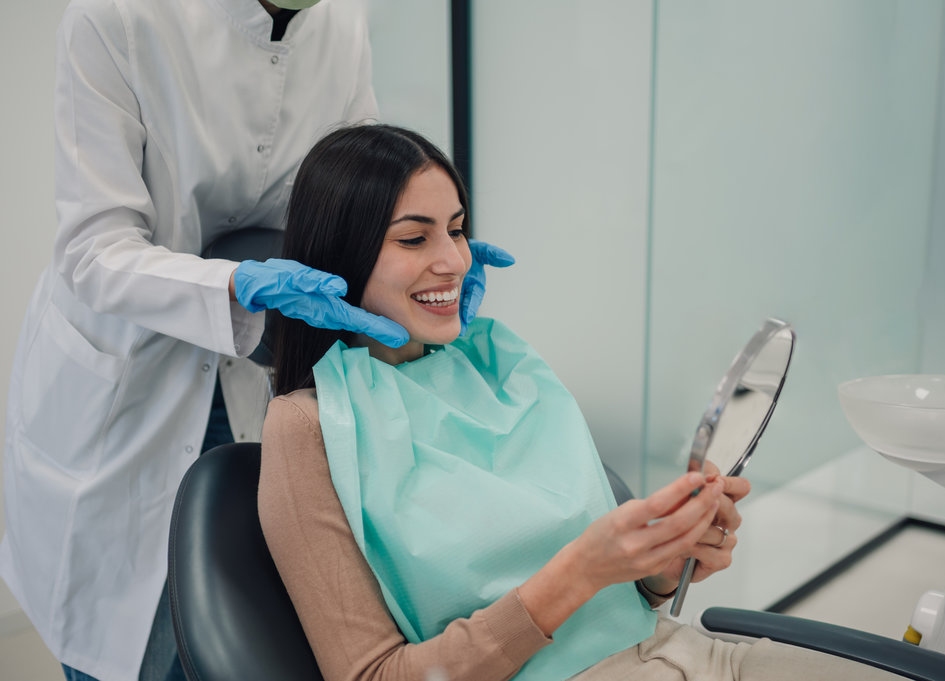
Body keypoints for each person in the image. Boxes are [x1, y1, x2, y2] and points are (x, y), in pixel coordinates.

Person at [258, 124, 905, 680]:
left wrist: (663, 563)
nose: (453, 260)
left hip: (675, 652)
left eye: (457, 230)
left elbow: (618, 599)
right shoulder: (310, 426)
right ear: (341, 252)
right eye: (413, 238)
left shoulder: (498, 362)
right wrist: (581, 570)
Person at [0, 2, 509, 681]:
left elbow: (353, 193)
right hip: (125, 381)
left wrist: (419, 262)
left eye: (457, 228)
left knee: (246, 626)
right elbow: (94, 249)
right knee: (133, 646)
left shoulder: (340, 21)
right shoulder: (116, 18)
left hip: (266, 373)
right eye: (427, 236)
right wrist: (237, 286)